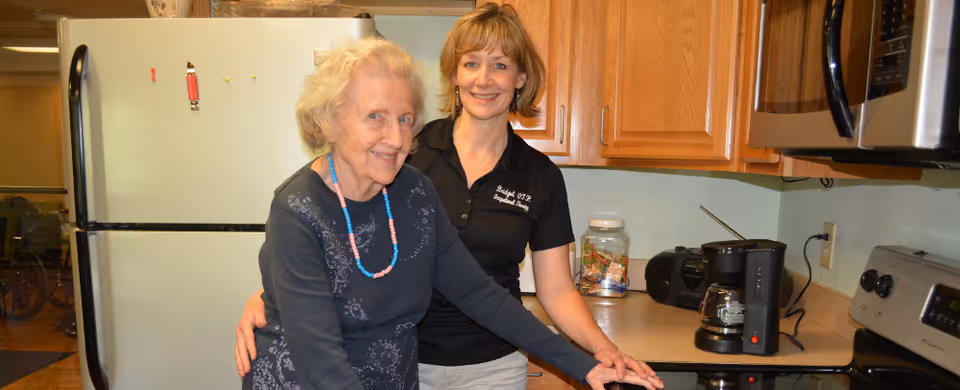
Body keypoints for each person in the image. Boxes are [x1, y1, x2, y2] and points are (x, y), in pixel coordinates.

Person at [238, 3, 664, 389]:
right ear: (330, 121)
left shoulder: (412, 191)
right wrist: (274, 294)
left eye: (405, 119)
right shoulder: (298, 209)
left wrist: (585, 364)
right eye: (375, 117)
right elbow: (321, 361)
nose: (395, 137)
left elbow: (479, 293)